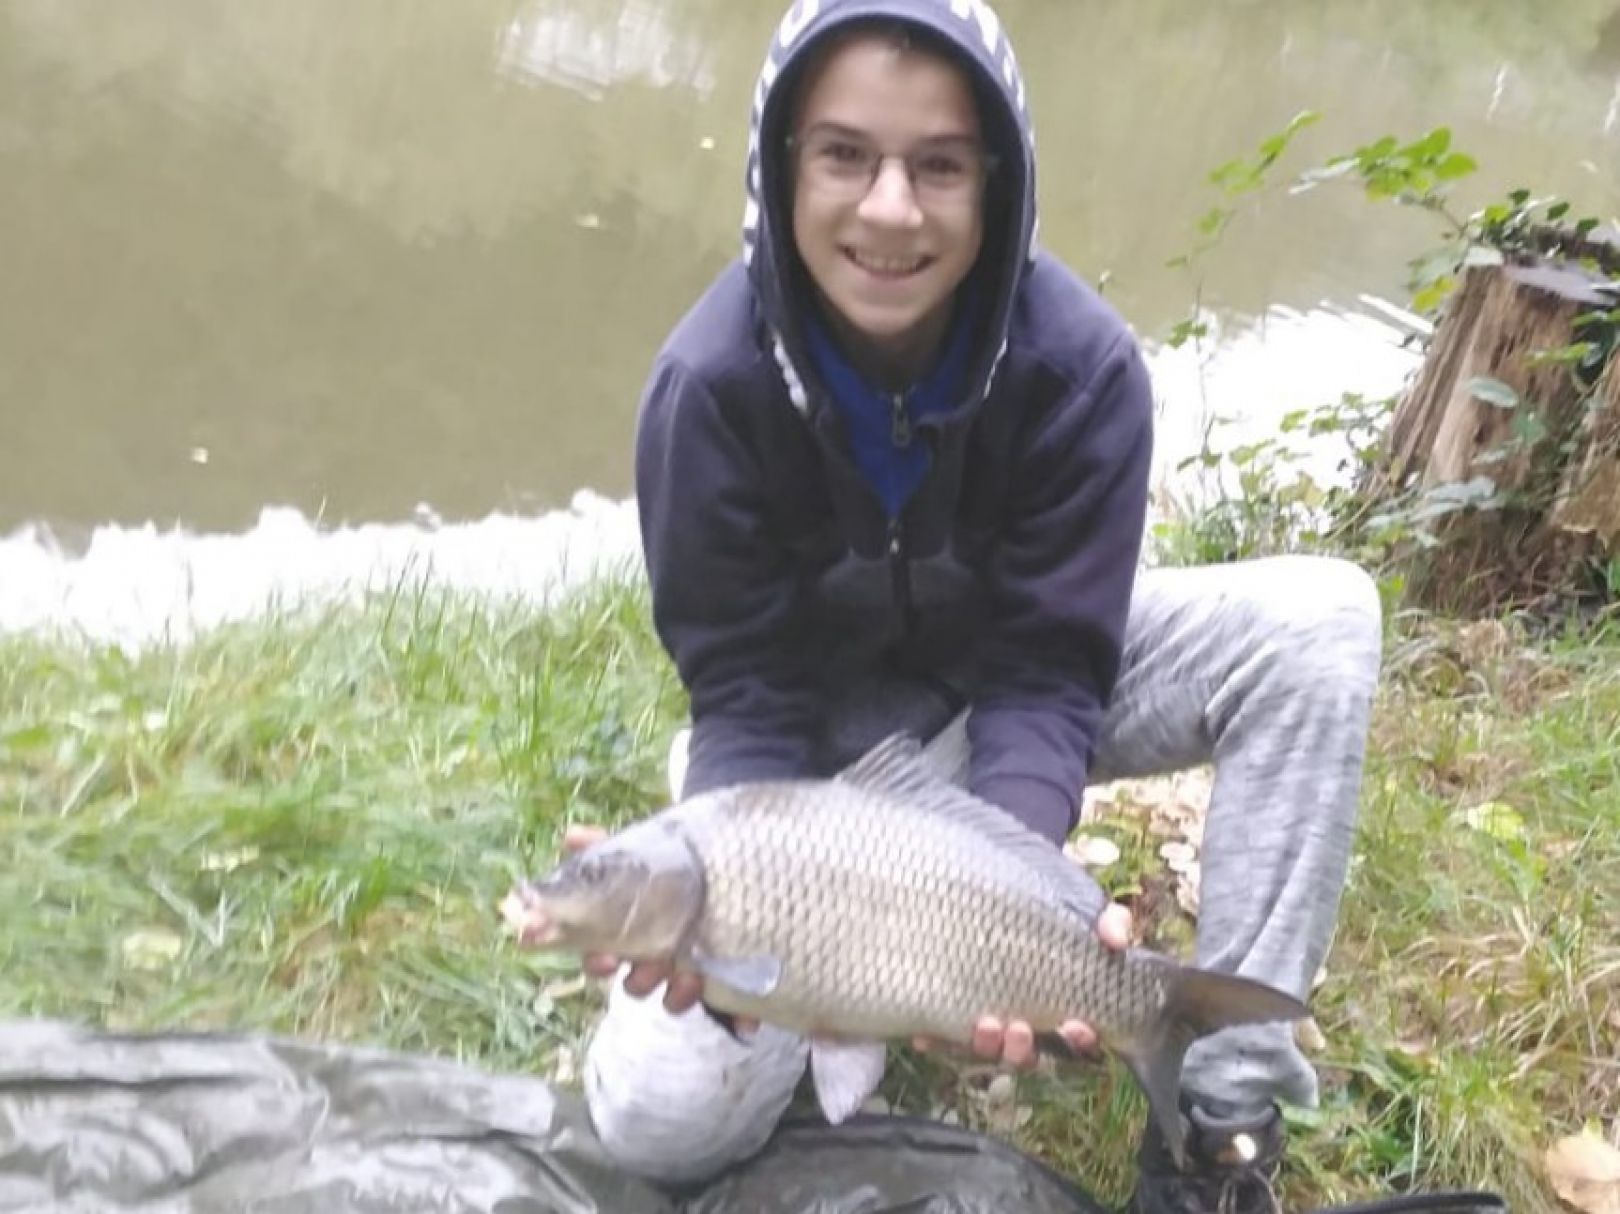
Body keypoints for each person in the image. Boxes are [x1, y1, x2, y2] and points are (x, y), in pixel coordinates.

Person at [565, 1, 1384, 1210]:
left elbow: (1048, 672)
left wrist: (998, 897)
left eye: (939, 165)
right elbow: (745, 693)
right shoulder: (709, 389)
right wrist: (730, 898)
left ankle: (1220, 1105)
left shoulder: (1082, 369)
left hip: (1011, 696)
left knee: (1319, 620)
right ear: (780, 168)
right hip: (806, 786)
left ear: (996, 181)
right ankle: (808, 965)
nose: (890, 209)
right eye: (845, 155)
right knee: (657, 1122)